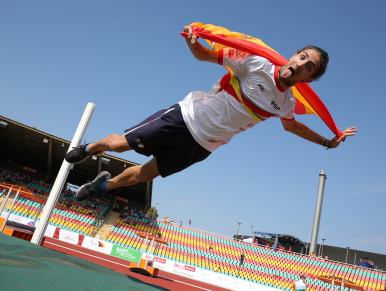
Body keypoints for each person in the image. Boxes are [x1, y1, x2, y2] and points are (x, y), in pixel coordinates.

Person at [64, 24, 357, 201]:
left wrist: (327, 143)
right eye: (303, 56)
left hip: (202, 146)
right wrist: (195, 42)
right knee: (117, 145)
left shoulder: (287, 103)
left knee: (144, 175)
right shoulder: (255, 63)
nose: (303, 63)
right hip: (184, 118)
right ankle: (88, 149)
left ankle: (102, 185)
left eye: (310, 67)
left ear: (308, 80)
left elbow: (293, 128)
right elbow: (207, 55)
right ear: (293, 55)